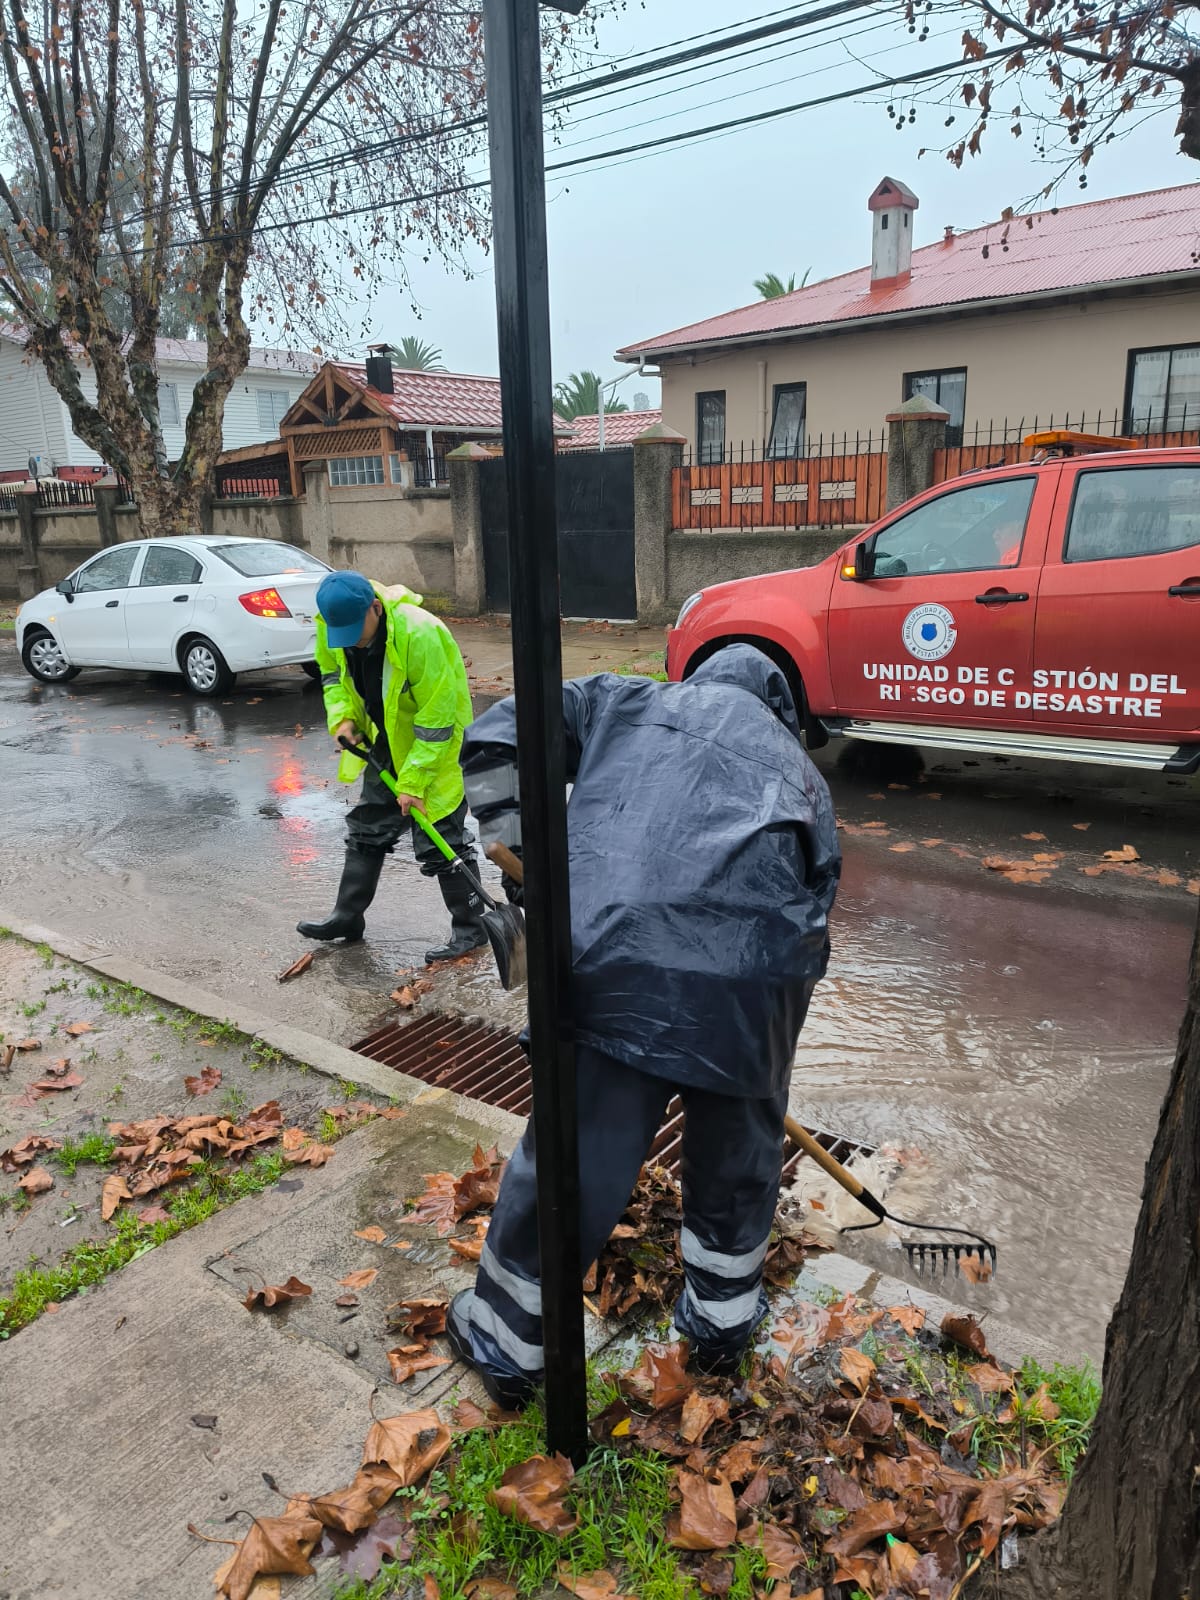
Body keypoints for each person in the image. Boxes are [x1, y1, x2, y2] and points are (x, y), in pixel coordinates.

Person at [445, 644, 841, 1408]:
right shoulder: (801, 773)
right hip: (750, 990)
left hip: (615, 960)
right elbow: (817, 905)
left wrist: (521, 846)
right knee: (738, 1160)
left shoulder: (625, 701)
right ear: (782, 711)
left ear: (697, 680)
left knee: (579, 1154)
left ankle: (506, 1342)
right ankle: (722, 1327)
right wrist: (762, 1038)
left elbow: (497, 733)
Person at [297, 570, 486, 963]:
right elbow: (332, 677)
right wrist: (343, 717)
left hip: (437, 746)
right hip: (388, 740)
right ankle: (347, 917)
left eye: (356, 631)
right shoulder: (333, 624)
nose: (350, 641)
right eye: (342, 633)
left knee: (440, 836)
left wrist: (414, 781)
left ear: (376, 609)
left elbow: (438, 717)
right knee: (367, 827)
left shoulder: (421, 634)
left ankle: (472, 930)